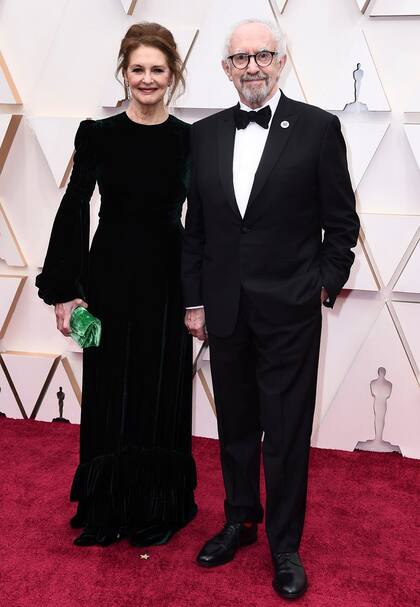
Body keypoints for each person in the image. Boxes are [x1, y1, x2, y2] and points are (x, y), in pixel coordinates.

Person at [182, 19, 359, 600]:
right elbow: (197, 230)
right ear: (226, 69)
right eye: (240, 59)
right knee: (235, 427)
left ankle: (285, 544)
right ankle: (240, 520)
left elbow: (342, 223)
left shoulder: (317, 128)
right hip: (225, 310)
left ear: (281, 62)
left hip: (290, 312)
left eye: (262, 56)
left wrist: (322, 287)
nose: (252, 66)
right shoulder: (203, 134)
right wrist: (196, 299)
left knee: (284, 433)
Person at [36, 22, 197, 547]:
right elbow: (75, 204)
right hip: (106, 280)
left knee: (159, 390)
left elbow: (204, 222)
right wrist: (64, 286)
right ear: (123, 73)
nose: (146, 79)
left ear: (172, 74)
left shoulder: (187, 139)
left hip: (168, 281)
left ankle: (156, 507)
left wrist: (202, 292)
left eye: (157, 69)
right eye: (137, 69)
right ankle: (107, 507)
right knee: (108, 388)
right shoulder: (97, 134)